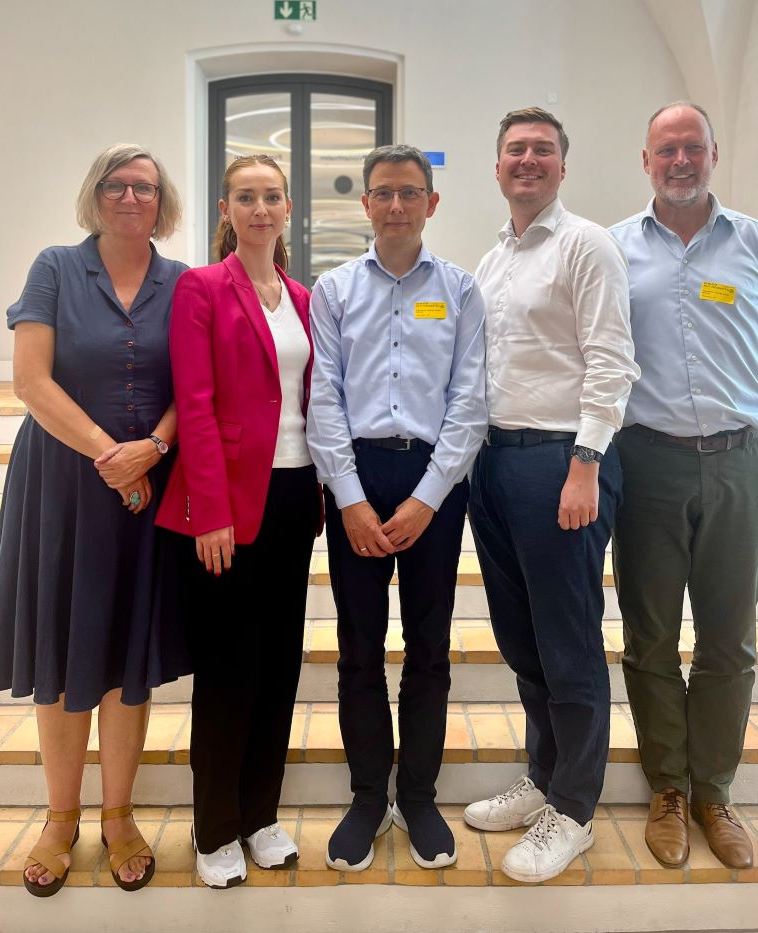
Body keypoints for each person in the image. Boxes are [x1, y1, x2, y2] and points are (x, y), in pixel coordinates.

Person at [0, 143, 188, 895]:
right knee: (65, 654)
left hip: (148, 485)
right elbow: (30, 380)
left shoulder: (181, 281)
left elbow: (195, 385)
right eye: (116, 185)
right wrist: (111, 455)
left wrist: (152, 449)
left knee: (127, 659)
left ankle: (119, 814)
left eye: (145, 187)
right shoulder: (55, 268)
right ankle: (60, 816)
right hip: (64, 484)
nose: (131, 197)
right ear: (95, 195)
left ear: (163, 202)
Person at [608, 102, 758, 870]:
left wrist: (740, 403)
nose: (680, 161)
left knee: (729, 637)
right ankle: (668, 789)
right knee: (650, 634)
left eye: (693, 147)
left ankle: (714, 790)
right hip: (648, 461)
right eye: (667, 149)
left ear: (713, 154)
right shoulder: (615, 248)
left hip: (741, 461)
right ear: (645, 159)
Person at [463, 108, 639, 883]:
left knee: (567, 642)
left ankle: (573, 809)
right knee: (521, 639)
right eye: (515, 149)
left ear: (563, 165)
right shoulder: (492, 258)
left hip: (563, 462)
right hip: (496, 462)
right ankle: (544, 773)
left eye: (542, 149)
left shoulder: (586, 245)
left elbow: (611, 360)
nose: (527, 159)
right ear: (497, 166)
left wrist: (586, 462)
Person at [306, 144, 487, 873]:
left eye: (410, 192)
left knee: (428, 648)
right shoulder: (334, 289)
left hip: (433, 480)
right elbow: (323, 397)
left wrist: (427, 498)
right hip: (355, 474)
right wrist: (348, 498)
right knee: (358, 649)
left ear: (431, 203)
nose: (396, 206)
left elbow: (470, 400)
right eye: (383, 192)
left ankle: (417, 796)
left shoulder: (461, 289)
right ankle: (365, 796)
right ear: (366, 204)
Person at [155, 154, 320, 889]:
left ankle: (260, 815)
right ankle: (215, 826)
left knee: (280, 664)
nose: (260, 209)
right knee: (228, 669)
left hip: (294, 497)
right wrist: (210, 511)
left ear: (288, 209)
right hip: (227, 505)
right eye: (245, 197)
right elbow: (194, 403)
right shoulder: (201, 288)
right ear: (225, 209)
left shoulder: (301, 296)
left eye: (271, 197)